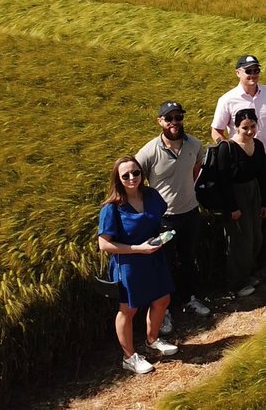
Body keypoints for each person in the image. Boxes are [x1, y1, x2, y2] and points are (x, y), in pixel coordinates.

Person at [211, 56, 266, 263]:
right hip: (243, 164)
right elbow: (216, 131)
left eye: (256, 70)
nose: (253, 75)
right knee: (249, 207)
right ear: (238, 73)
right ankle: (255, 257)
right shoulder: (227, 99)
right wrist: (230, 152)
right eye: (248, 71)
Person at [134, 102, 210, 335]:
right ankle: (163, 312)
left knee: (189, 259)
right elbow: (135, 181)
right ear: (160, 122)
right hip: (164, 219)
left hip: (190, 212)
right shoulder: (148, 152)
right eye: (169, 119)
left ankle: (190, 298)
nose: (174, 123)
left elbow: (196, 169)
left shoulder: (194, 145)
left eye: (178, 118)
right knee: (164, 265)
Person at [98, 156, 177, 375]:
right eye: (126, 175)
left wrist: (162, 235)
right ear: (118, 179)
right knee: (128, 310)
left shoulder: (151, 195)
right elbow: (104, 244)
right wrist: (137, 249)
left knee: (162, 299)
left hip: (154, 257)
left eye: (136, 173)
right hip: (129, 264)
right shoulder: (112, 208)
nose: (132, 178)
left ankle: (152, 340)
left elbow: (159, 219)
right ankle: (129, 357)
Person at [215, 109, 266, 297]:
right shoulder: (227, 148)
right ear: (236, 127)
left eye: (252, 126)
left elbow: (262, 175)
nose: (249, 131)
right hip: (236, 195)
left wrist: (265, 202)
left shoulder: (258, 144)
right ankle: (236, 283)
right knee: (240, 240)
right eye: (244, 128)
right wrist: (233, 208)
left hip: (254, 192)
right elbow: (223, 181)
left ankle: (248, 274)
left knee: (256, 236)